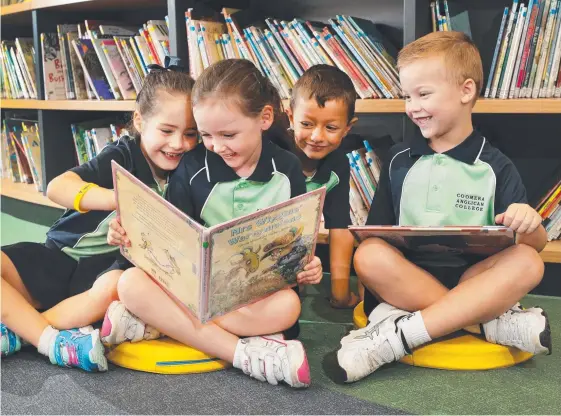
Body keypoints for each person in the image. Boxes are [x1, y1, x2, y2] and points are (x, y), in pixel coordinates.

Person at [335, 31, 551, 383]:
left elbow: (536, 244)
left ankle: (399, 337)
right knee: (369, 254)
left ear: (466, 91)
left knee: (527, 261)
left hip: (475, 280)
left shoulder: (495, 166)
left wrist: (530, 222)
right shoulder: (397, 161)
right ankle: (488, 323)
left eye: (423, 94)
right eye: (407, 95)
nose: (412, 106)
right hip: (407, 280)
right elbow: (377, 236)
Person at [102, 59, 323, 388]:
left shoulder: (287, 168)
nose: (217, 146)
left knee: (289, 306)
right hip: (192, 289)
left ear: (264, 118)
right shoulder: (191, 168)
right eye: (205, 135)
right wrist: (127, 236)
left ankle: (163, 324)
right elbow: (169, 237)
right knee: (130, 283)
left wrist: (309, 265)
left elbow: (296, 244)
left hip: (256, 296)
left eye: (228, 134)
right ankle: (246, 353)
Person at [1, 59, 199, 372]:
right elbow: (57, 187)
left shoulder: (192, 169)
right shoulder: (124, 153)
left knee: (118, 285)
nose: (179, 144)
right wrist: (116, 199)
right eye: (167, 130)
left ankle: (26, 332)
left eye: (191, 133)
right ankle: (45, 336)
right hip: (58, 257)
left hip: (103, 277)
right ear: (139, 120)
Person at [283, 64, 361, 308]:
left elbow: (339, 226)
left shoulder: (338, 165)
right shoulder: (274, 155)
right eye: (306, 124)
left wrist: (341, 294)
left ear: (348, 128)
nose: (317, 136)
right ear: (290, 116)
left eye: (331, 127)